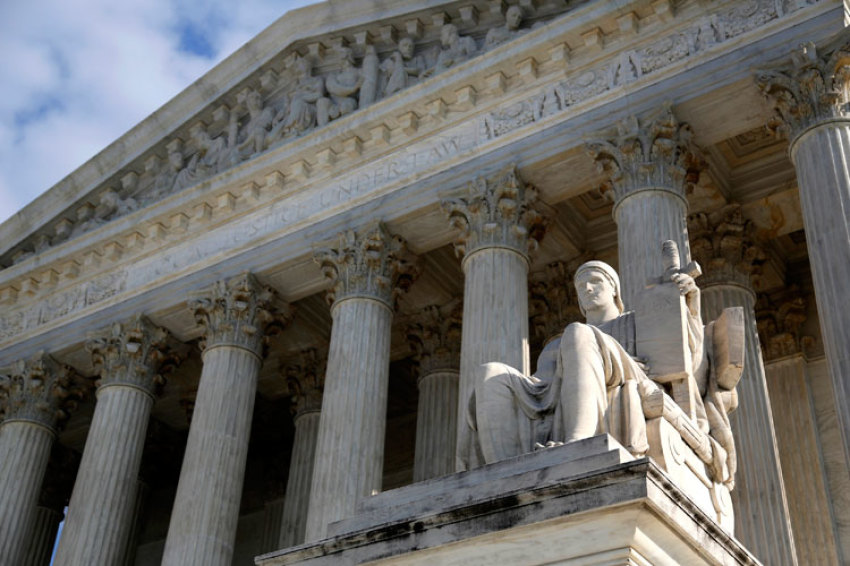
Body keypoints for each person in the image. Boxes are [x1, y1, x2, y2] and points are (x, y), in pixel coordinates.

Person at [468, 259, 708, 468]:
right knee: (490, 372)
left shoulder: (637, 323)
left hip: (631, 374)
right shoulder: (557, 344)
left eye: (595, 281)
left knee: (578, 333)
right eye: (581, 286)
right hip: (562, 382)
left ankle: (578, 440)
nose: (587, 288)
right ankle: (504, 468)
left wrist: (689, 305)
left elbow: (687, 354)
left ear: (614, 289)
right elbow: (542, 385)